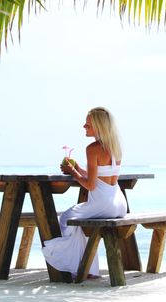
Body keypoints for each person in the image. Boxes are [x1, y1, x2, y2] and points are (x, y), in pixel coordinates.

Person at [42, 107, 127, 278]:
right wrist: (78, 168)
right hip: (119, 204)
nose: (84, 127)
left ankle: (74, 265)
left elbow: (90, 185)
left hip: (102, 204)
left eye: (88, 124)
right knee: (79, 224)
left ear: (98, 126)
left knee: (66, 218)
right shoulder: (115, 147)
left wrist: (73, 173)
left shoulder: (92, 148)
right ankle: (88, 268)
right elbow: (101, 177)